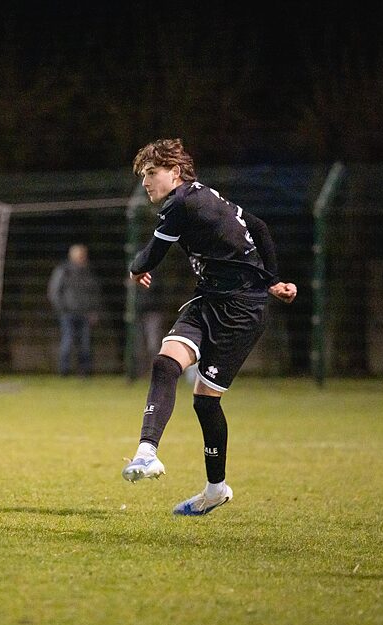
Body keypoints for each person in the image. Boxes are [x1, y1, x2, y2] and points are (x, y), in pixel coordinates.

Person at [120, 138, 297, 516]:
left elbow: (151, 255)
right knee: (165, 363)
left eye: (151, 173)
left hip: (241, 311)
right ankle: (147, 452)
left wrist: (136, 268)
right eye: (143, 176)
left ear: (175, 173)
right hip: (209, 299)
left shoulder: (180, 202)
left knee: (204, 400)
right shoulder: (206, 196)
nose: (146, 182)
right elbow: (258, 227)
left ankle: (215, 489)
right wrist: (273, 280)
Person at [47, 243, 102, 377]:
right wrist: (61, 309)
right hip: (68, 313)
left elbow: (95, 293)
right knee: (67, 341)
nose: (82, 258)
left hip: (85, 313)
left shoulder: (88, 272)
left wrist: (94, 311)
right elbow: (54, 291)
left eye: (83, 255)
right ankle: (64, 371)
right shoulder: (63, 271)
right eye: (80, 255)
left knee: (85, 343)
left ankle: (85, 371)